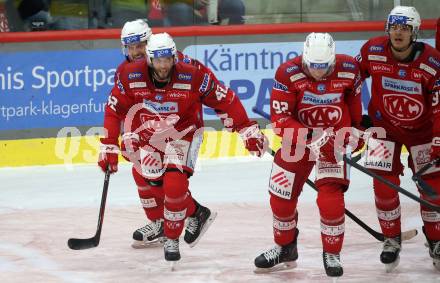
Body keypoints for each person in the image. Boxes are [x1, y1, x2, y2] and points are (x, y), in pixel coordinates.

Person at [99, 32, 267, 261]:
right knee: (151, 178)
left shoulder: (194, 74)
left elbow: (224, 99)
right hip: (151, 133)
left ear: (174, 57)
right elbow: (114, 109)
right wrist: (108, 145)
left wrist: (246, 129)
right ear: (149, 59)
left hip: (184, 134)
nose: (163, 65)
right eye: (158, 60)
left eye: (167, 59)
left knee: (175, 185)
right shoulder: (131, 74)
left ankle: (171, 236)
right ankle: (196, 213)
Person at [253, 32, 363, 277]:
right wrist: (310, 135)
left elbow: (354, 102)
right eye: (313, 66)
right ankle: (285, 248)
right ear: (304, 58)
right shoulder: (287, 73)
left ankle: (332, 252)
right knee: (280, 195)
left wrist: (356, 130)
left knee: (330, 199)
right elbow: (280, 120)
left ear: (333, 61)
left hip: (333, 142)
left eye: (323, 67)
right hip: (298, 140)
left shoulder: (349, 69)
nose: (318, 72)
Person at [102, 19, 217, 249]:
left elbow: (212, 89)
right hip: (148, 127)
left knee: (170, 181)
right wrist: (120, 139)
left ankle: (196, 213)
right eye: (130, 46)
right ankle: (162, 222)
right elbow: (122, 107)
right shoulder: (127, 71)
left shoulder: (179, 64)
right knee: (141, 173)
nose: (135, 52)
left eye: (140, 45)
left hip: (180, 129)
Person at [356, 6, 440, 272]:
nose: (398, 32)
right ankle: (391, 239)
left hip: (422, 133)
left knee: (433, 189)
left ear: (415, 32)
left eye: (405, 28)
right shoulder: (372, 50)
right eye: (394, 26)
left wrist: (438, 140)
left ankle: (436, 239)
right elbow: (350, 82)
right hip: (384, 130)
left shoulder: (432, 61)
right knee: (383, 186)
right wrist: (354, 121)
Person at [147, 0, 245, 27]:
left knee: (236, 5)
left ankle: (235, 40)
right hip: (176, 13)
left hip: (205, 10)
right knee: (181, 10)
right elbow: (157, 6)